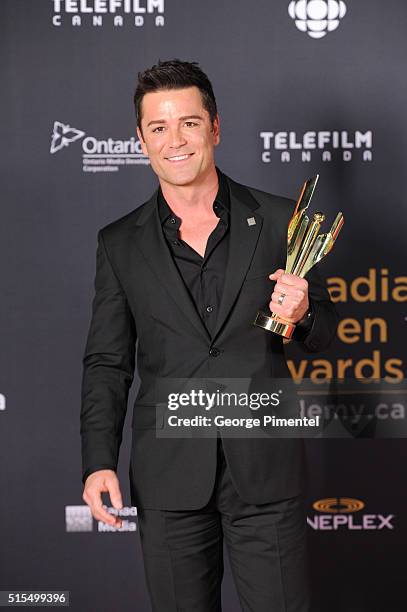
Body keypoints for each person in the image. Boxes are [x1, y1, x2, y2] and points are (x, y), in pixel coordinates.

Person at [80, 59, 338, 611]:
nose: (175, 140)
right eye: (158, 128)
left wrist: (305, 312)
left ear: (214, 128)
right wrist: (98, 460)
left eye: (189, 123)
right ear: (141, 140)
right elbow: (107, 363)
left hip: (264, 474)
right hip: (170, 480)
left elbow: (328, 336)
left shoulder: (278, 220)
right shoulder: (119, 242)